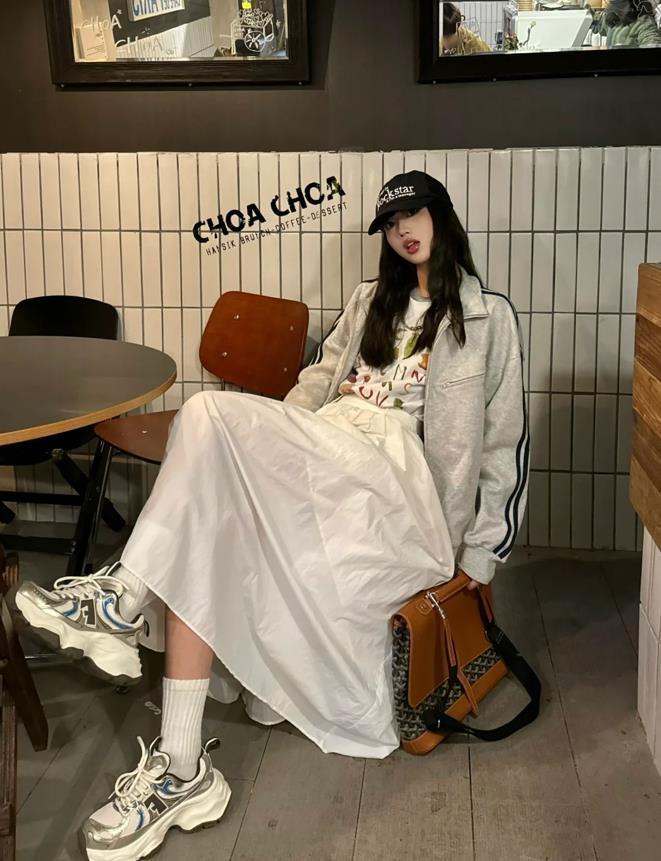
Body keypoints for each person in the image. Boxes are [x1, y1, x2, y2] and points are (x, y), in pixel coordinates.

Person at [15, 170, 529, 861]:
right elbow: (317, 383)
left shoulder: (488, 316)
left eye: (413, 214)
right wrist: (267, 453)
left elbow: (502, 444)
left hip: (398, 477)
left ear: (442, 215)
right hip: (333, 444)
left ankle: (121, 597)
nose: (403, 230)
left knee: (205, 412)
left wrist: (480, 560)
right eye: (390, 223)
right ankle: (181, 764)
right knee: (207, 516)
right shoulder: (368, 300)